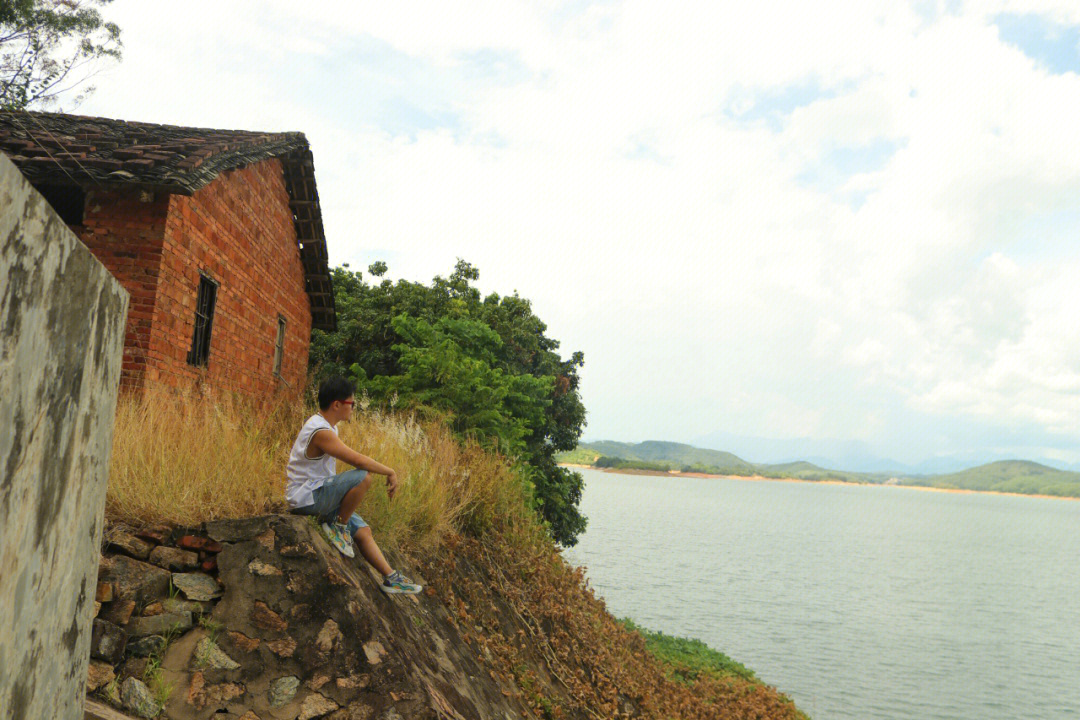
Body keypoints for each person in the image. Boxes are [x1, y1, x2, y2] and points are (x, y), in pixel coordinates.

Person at [286, 376, 421, 594]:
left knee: (364, 531)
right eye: (352, 404)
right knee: (363, 476)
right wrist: (390, 471)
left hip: (318, 494)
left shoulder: (328, 427)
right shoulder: (320, 431)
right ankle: (339, 528)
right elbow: (357, 461)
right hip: (306, 497)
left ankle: (391, 578)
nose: (353, 408)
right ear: (337, 404)